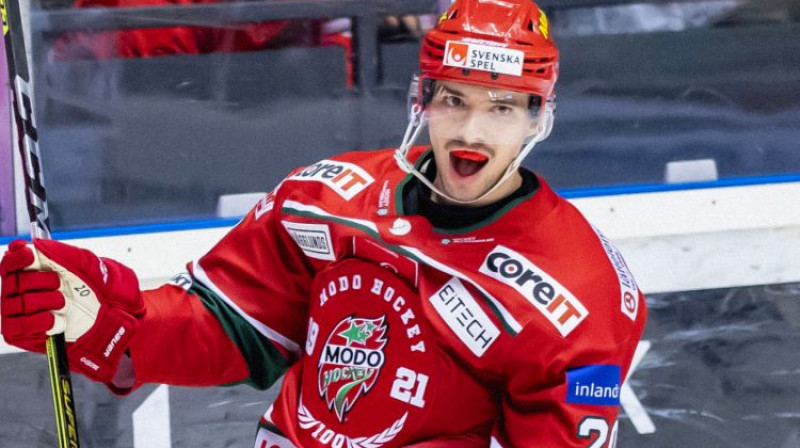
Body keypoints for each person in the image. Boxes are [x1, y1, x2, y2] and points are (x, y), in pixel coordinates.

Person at [1, 0, 647, 446]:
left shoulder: (578, 296)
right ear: (421, 97)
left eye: (502, 109)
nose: (471, 131)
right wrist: (101, 319)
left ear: (540, 117)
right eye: (453, 99)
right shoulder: (328, 199)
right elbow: (223, 326)